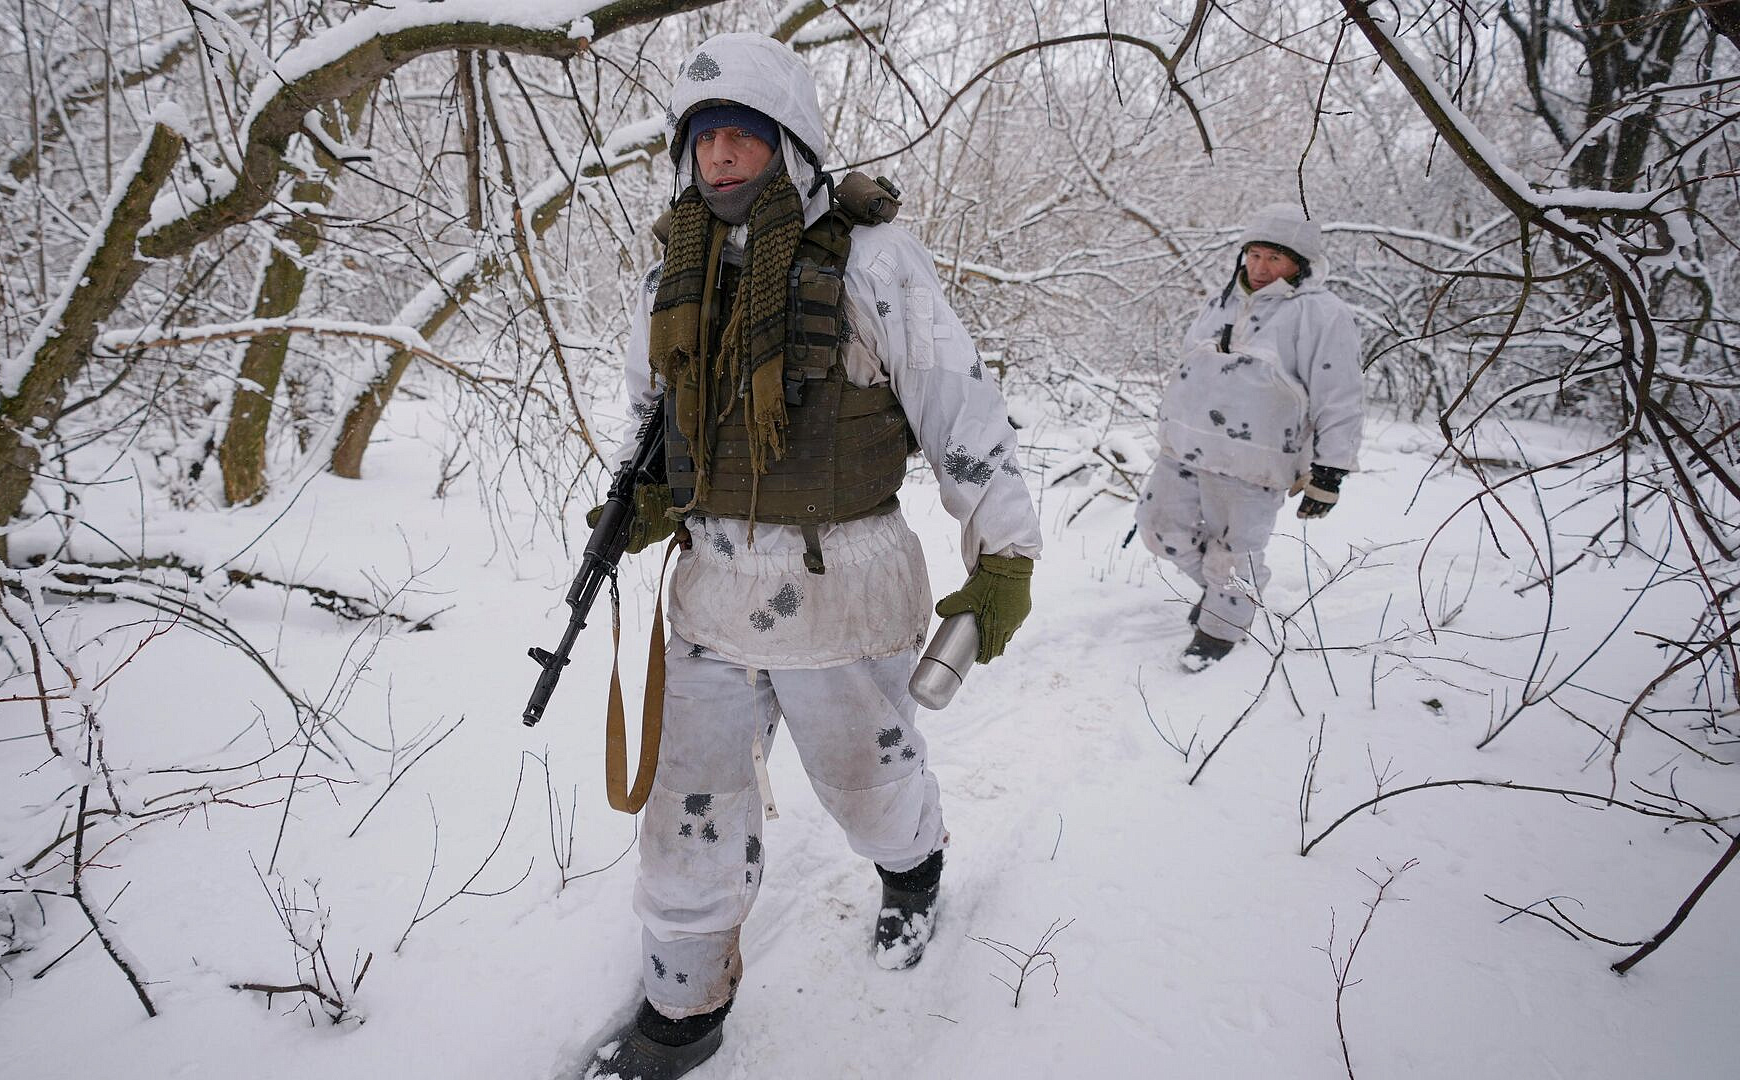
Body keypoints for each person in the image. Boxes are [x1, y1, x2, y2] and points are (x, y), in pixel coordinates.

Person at [579, 32, 1043, 1080]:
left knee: (869, 786)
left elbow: (961, 411)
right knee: (688, 813)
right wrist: (638, 501)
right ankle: (682, 1011)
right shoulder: (672, 274)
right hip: (713, 588)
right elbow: (651, 415)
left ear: (790, 143)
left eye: (743, 134)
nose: (721, 155)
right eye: (703, 137)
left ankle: (913, 876)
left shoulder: (875, 261)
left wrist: (1004, 554)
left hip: (843, 588)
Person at [1136, 204, 1365, 671]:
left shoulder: (1322, 314)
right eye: (1254, 255)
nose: (1260, 268)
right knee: (1159, 527)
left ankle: (1222, 629)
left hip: (1256, 459)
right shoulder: (1221, 300)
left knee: (1234, 551)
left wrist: (1330, 470)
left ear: (1300, 263)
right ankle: (1227, 594)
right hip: (1186, 444)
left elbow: (1339, 395)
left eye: (1274, 259)